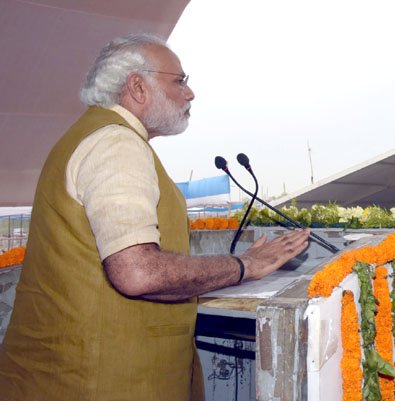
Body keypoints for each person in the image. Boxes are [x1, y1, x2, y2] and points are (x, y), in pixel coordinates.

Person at [0, 34, 310, 401]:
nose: (190, 93)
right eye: (179, 81)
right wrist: (245, 265)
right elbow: (138, 272)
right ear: (137, 86)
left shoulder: (96, 136)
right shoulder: (117, 145)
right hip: (99, 380)